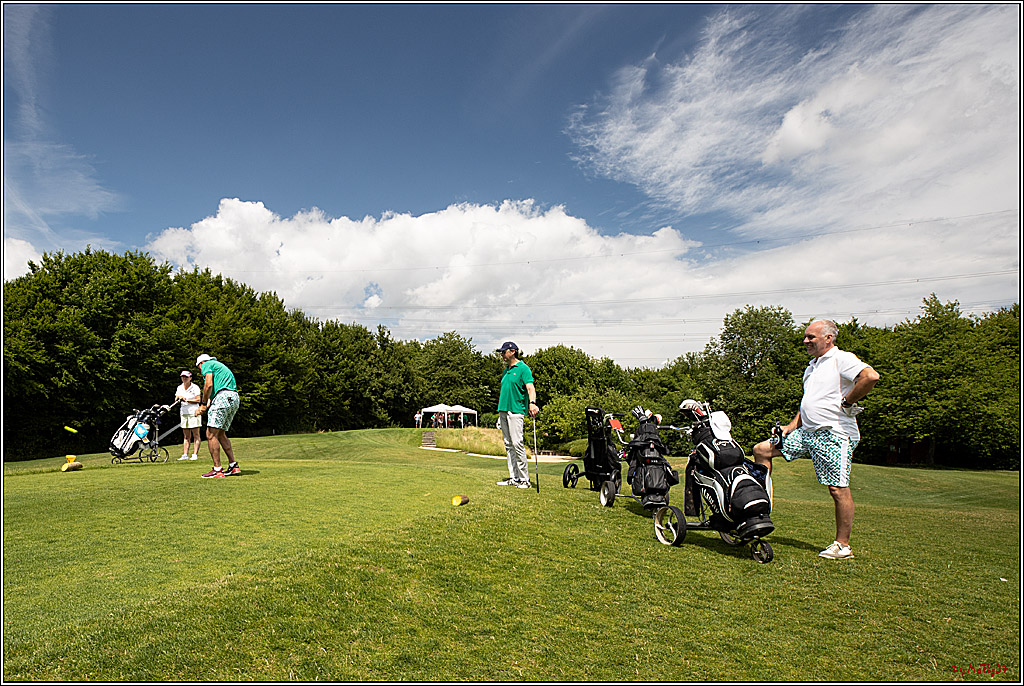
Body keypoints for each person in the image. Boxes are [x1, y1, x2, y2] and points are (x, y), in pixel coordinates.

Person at [752, 320, 880, 559]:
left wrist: (848, 402)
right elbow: (808, 401)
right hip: (807, 433)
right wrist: (791, 427)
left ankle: (842, 546)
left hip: (834, 434)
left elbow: (870, 377)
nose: (806, 341)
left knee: (837, 488)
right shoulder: (812, 367)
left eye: (811, 337)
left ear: (828, 338)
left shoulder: (842, 359)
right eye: (806, 337)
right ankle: (758, 511)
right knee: (762, 450)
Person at [494, 341, 539, 489]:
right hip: (503, 410)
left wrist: (532, 403)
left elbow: (530, 387)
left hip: (516, 410)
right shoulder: (506, 370)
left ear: (512, 351)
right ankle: (514, 478)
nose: (501, 354)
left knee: (517, 443)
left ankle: (524, 479)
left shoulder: (523, 369)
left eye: (503, 351)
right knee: (508, 445)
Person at [194, 354, 241, 478]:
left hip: (223, 398)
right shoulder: (219, 367)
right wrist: (204, 405)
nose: (201, 371)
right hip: (233, 398)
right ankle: (233, 466)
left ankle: (217, 470)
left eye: (199, 368)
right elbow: (212, 395)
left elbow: (208, 385)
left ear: (201, 363)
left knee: (210, 434)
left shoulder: (207, 365)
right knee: (220, 433)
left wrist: (203, 404)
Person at [175, 370, 202, 461]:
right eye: (183, 377)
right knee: (186, 436)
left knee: (196, 434)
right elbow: (176, 398)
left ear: (190, 378)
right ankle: (185, 454)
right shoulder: (180, 387)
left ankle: (194, 454)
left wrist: (186, 399)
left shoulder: (195, 387)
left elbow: (198, 400)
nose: (184, 378)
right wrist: (179, 398)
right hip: (184, 412)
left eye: (186, 377)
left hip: (194, 412)